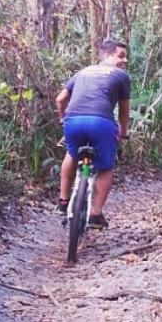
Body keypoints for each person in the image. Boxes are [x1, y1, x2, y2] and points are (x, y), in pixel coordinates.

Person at [55, 39, 130, 229]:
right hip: (102, 123)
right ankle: (95, 213)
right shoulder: (121, 75)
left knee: (71, 154)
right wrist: (123, 132)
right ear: (107, 55)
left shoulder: (82, 72)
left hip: (73, 121)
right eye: (120, 55)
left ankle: (63, 201)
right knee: (105, 168)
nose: (125, 60)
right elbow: (123, 111)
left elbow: (60, 99)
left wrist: (63, 120)